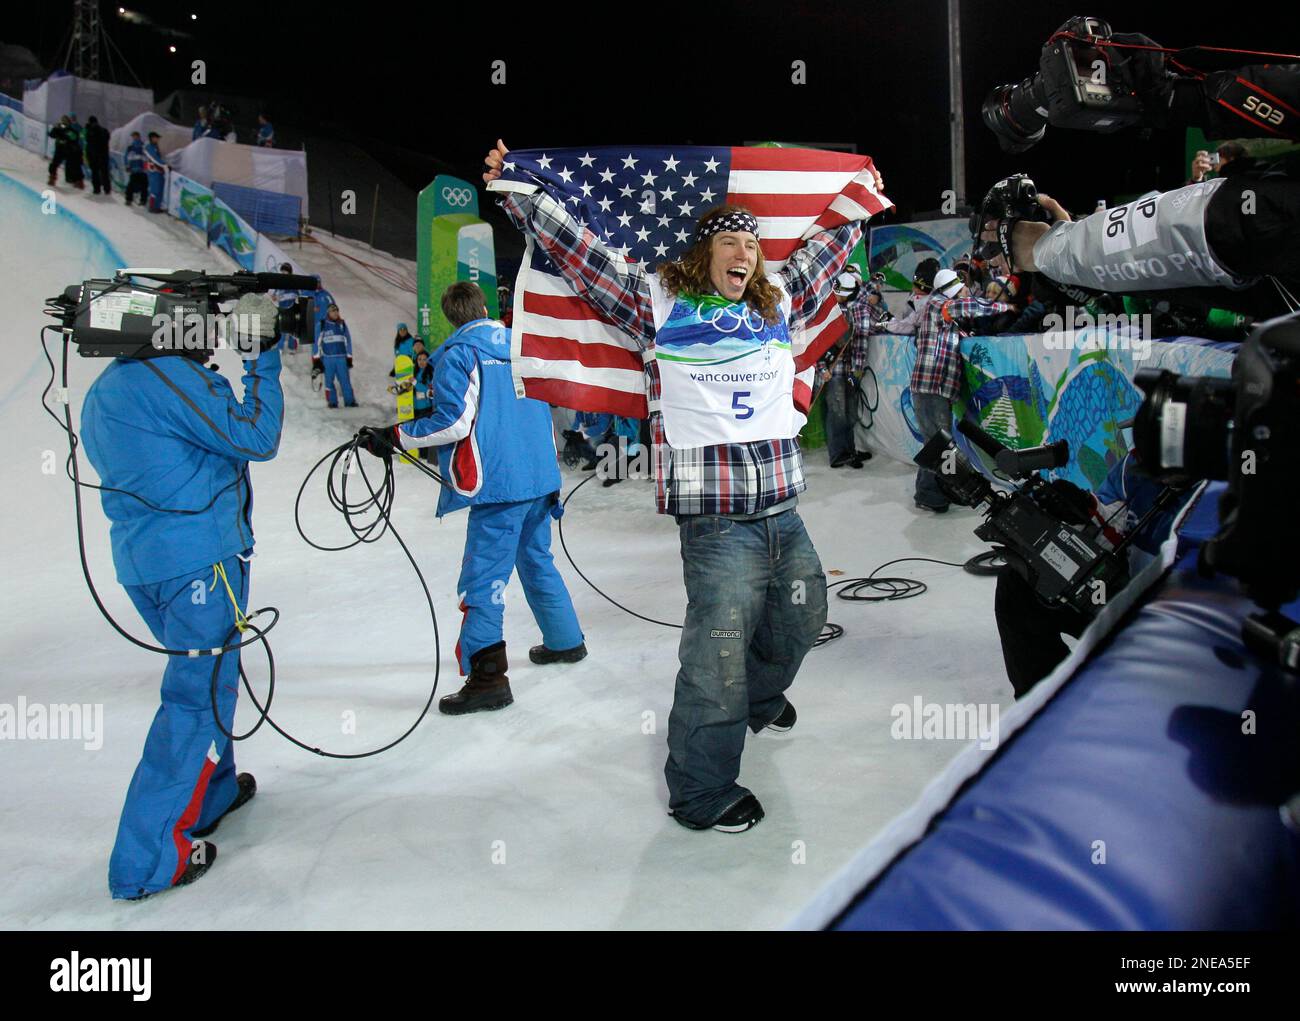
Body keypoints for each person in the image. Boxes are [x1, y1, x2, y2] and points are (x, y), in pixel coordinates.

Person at [482, 139, 880, 832]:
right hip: (716, 522)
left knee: (803, 614)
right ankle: (700, 788)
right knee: (718, 649)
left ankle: (758, 700)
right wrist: (522, 192)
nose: (744, 253)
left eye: (751, 246)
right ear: (705, 254)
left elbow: (826, 251)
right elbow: (582, 257)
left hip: (783, 510)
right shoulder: (656, 300)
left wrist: (860, 195)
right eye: (730, 243)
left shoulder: (778, 302)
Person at [79, 294, 284, 899]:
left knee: (210, 684)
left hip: (147, 565)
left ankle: (212, 793)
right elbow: (257, 436)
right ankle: (147, 862)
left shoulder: (107, 388)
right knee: (195, 701)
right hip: (198, 562)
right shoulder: (170, 378)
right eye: (202, 327)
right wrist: (263, 357)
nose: (211, 338)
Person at [358, 281, 586, 714]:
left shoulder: (460, 355)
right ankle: (565, 640)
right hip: (539, 476)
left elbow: (455, 422)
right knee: (536, 559)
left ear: (452, 318)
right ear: (484, 309)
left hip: (500, 485)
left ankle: (488, 680)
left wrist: (397, 436)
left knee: (484, 579)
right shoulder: (521, 345)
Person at [910, 268, 1012, 513]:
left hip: (933, 386)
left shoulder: (939, 310)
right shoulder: (938, 304)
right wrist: (1005, 307)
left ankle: (936, 491)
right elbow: (968, 306)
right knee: (939, 443)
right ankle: (930, 494)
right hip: (931, 386)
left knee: (937, 441)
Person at [821, 273, 878, 469]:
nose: (838, 296)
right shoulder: (831, 310)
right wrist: (822, 368)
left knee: (850, 412)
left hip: (850, 371)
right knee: (838, 412)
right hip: (835, 371)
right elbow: (819, 342)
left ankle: (849, 450)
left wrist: (856, 371)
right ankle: (838, 454)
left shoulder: (859, 309)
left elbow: (861, 341)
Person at [312, 303, 357, 408]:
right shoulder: (322, 325)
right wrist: (316, 359)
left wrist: (349, 357)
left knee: (345, 381)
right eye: (333, 311)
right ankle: (332, 402)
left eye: (337, 311)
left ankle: (350, 401)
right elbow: (316, 343)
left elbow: (348, 341)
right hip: (328, 358)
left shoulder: (342, 324)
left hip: (341, 358)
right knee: (329, 382)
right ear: (328, 313)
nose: (335, 313)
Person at [271, 263, 301, 354]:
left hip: (291, 309)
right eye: (282, 271)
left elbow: (295, 295)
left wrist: (281, 297)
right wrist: (274, 297)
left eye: (285, 271)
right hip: (282, 309)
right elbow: (275, 294)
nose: (283, 273)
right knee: (281, 329)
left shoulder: (293, 282)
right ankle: (280, 348)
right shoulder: (279, 282)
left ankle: (292, 348)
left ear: (289, 272)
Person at [84, 116, 112, 196]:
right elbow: (107, 138)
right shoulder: (104, 130)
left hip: (94, 156)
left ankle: (97, 189)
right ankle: (107, 189)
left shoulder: (90, 131)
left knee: (95, 172)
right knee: (104, 173)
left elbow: (88, 141)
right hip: (103, 155)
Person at [123, 131, 148, 207]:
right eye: (133, 136)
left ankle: (142, 200)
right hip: (134, 169)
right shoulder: (131, 147)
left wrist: (145, 166)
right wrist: (127, 166)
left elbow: (147, 158)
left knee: (143, 186)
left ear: (139, 136)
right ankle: (129, 199)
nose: (134, 138)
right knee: (131, 185)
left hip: (142, 170)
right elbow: (126, 157)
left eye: (135, 136)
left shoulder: (144, 146)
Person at [144, 132, 167, 213]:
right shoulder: (149, 147)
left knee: (160, 188)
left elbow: (158, 158)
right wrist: (164, 165)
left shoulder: (155, 147)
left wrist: (163, 166)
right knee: (155, 189)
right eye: (156, 138)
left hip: (159, 171)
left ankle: (157, 206)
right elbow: (154, 158)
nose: (157, 140)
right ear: (152, 138)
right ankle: (152, 206)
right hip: (153, 171)